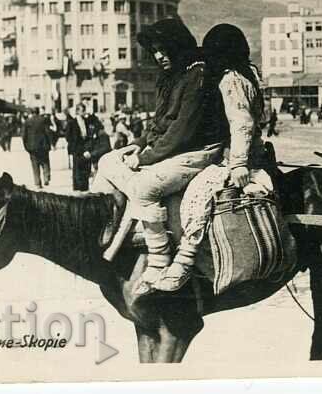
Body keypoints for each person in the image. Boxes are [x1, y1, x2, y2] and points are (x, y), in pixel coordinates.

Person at [90, 18, 226, 294]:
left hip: (197, 152)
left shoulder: (197, 75)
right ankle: (111, 229)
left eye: (164, 49)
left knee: (144, 186)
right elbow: (159, 123)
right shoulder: (172, 76)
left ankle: (161, 258)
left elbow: (182, 131)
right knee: (106, 161)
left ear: (178, 46)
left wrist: (145, 158)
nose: (159, 56)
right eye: (154, 51)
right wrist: (138, 144)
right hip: (171, 150)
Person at [159, 23, 273, 291]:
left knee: (199, 194)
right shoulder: (243, 75)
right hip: (233, 153)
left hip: (239, 158)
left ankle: (185, 261)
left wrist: (239, 163)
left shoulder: (232, 79)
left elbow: (242, 123)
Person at [66, 103, 101, 191]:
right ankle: (77, 188)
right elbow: (68, 136)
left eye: (84, 110)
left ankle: (85, 187)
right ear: (77, 111)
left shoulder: (87, 121)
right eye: (82, 110)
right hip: (77, 149)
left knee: (86, 168)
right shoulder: (72, 122)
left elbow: (96, 123)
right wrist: (73, 146)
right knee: (77, 169)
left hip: (86, 148)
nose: (84, 112)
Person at [21, 107, 52, 189]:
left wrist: (26, 146)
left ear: (32, 112)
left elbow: (24, 135)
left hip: (32, 147)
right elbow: (48, 132)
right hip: (43, 145)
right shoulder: (43, 120)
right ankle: (46, 176)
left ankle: (37, 183)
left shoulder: (27, 121)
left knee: (35, 165)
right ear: (38, 112)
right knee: (45, 162)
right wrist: (50, 143)